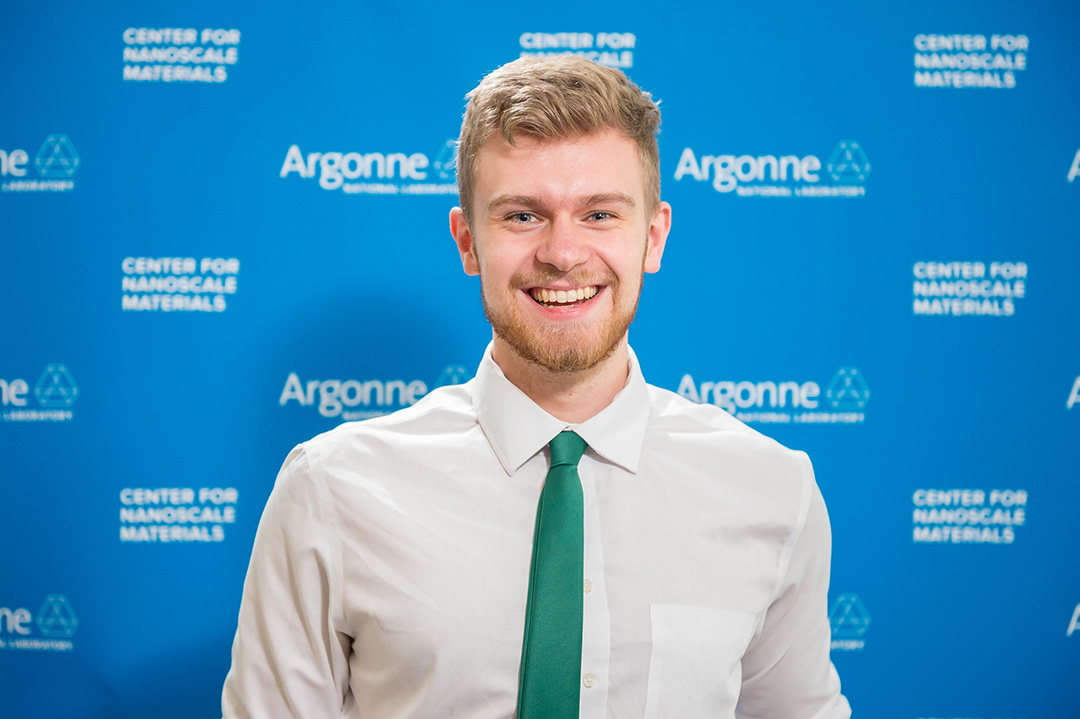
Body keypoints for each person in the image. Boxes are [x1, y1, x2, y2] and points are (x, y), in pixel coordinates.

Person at [222, 55, 851, 719]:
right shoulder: (331, 489)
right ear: (467, 240)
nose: (561, 252)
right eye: (522, 216)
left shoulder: (771, 490)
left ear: (654, 236)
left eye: (600, 214)